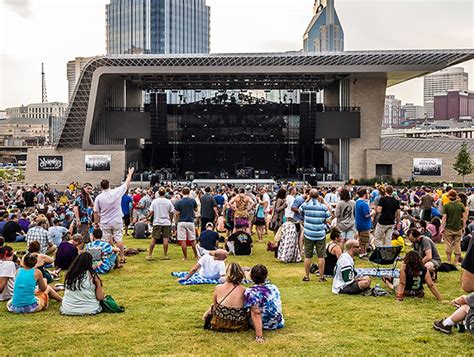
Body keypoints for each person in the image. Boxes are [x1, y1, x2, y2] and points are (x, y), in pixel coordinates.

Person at [93, 167, 135, 264]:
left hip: (105, 221)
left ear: (101, 187)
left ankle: (106, 258)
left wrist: (96, 222)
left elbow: (95, 211)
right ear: (109, 185)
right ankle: (122, 257)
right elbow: (126, 183)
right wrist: (130, 174)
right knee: (118, 239)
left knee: (106, 240)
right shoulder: (116, 192)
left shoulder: (99, 197)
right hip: (116, 220)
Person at [244, 264, 284, 343]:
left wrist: (259, 336)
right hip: (277, 322)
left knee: (251, 309)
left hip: (264, 323)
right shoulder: (274, 287)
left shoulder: (250, 292)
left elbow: (256, 313)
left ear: (252, 277)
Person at [203, 262, 248, 332]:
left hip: (219, 324)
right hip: (238, 325)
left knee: (214, 305)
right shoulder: (244, 290)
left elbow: (215, 307)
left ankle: (206, 316)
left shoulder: (218, 288)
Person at [299, 189, 331, 282]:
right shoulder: (323, 207)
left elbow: (300, 211)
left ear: (309, 195)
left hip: (309, 233)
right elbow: (329, 220)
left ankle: (307, 276)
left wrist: (306, 200)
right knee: (321, 256)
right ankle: (321, 276)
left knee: (308, 256)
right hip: (320, 234)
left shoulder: (305, 206)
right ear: (318, 196)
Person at [147, 187, 175, 260]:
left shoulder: (155, 201)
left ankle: (150, 254)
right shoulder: (168, 201)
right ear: (165, 193)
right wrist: (171, 220)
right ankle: (165, 255)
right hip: (166, 222)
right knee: (165, 239)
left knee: (154, 238)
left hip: (157, 221)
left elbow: (151, 212)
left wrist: (147, 217)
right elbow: (172, 212)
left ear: (158, 193)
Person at [441, 189, 467, 264]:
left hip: (448, 228)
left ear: (449, 197)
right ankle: (456, 262)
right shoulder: (461, 205)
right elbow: (464, 217)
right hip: (458, 228)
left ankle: (449, 261)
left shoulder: (446, 206)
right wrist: (464, 226)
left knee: (448, 244)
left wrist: (442, 228)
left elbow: (444, 218)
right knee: (457, 244)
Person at [174, 187, 199, 260]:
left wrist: (176, 221)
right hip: (190, 221)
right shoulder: (192, 201)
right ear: (189, 192)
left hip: (181, 221)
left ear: (182, 192)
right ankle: (196, 255)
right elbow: (196, 209)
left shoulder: (179, 202)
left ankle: (185, 257)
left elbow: (177, 213)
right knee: (193, 240)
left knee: (183, 240)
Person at [355, 187, 372, 259]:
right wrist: (373, 213)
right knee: (364, 240)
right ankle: (362, 254)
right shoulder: (364, 204)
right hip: (364, 224)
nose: (368, 195)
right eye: (367, 193)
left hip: (359, 223)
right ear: (365, 194)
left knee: (362, 239)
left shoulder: (357, 202)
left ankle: (364, 253)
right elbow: (366, 215)